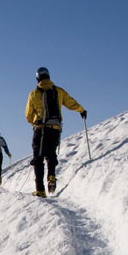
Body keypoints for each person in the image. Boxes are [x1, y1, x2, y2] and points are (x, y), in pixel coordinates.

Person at [26, 66, 87, 197]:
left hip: (40, 130)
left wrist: (35, 123)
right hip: (55, 129)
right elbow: (70, 102)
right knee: (51, 154)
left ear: (37, 78)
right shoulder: (58, 91)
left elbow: (28, 115)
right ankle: (52, 176)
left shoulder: (33, 94)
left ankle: (40, 190)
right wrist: (81, 110)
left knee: (38, 158)